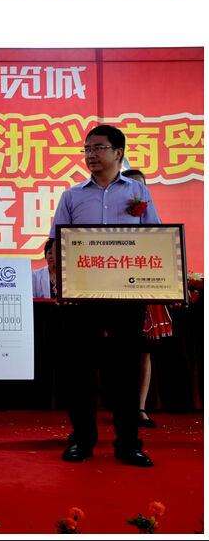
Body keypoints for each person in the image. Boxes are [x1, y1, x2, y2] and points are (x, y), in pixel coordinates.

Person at [50, 125, 161, 467]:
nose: (91, 155)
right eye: (87, 149)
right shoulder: (72, 196)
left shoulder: (138, 191)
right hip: (83, 296)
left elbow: (156, 238)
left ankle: (128, 444)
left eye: (98, 148)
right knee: (81, 370)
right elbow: (56, 243)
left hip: (127, 295)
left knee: (125, 371)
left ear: (118, 153)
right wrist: (59, 281)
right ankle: (81, 441)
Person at [121, 168, 171, 429]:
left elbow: (162, 246)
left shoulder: (149, 214)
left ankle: (139, 408)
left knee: (142, 353)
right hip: (110, 287)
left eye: (140, 187)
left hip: (142, 286)